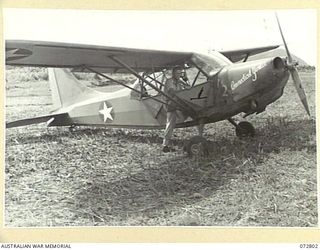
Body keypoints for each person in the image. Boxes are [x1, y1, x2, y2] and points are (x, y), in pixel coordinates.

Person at [162, 65, 189, 153]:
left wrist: (186, 81)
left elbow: (189, 88)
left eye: (180, 73)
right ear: (173, 73)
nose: (179, 75)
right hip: (171, 105)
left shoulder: (180, 81)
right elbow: (172, 92)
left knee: (182, 119)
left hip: (179, 105)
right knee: (170, 124)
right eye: (177, 73)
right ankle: (165, 145)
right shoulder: (169, 81)